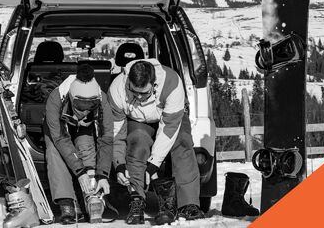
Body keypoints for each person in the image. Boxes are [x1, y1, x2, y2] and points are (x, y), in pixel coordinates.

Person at [107, 59, 204, 225]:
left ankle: (188, 204)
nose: (138, 96)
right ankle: (137, 200)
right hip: (137, 120)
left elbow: (168, 129)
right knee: (137, 142)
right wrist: (119, 164)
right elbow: (116, 132)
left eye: (143, 93)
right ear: (128, 81)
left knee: (182, 142)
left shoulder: (172, 83)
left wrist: (153, 165)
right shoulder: (117, 89)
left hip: (169, 119)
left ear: (154, 84)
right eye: (133, 91)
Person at [44, 64, 114, 224]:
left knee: (85, 143)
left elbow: (106, 139)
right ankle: (66, 202)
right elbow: (60, 139)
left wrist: (103, 174)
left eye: (91, 106)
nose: (86, 110)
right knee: (54, 151)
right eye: (81, 106)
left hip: (85, 129)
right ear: (71, 98)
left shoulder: (103, 102)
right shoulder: (55, 99)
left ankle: (91, 195)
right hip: (58, 130)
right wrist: (79, 171)